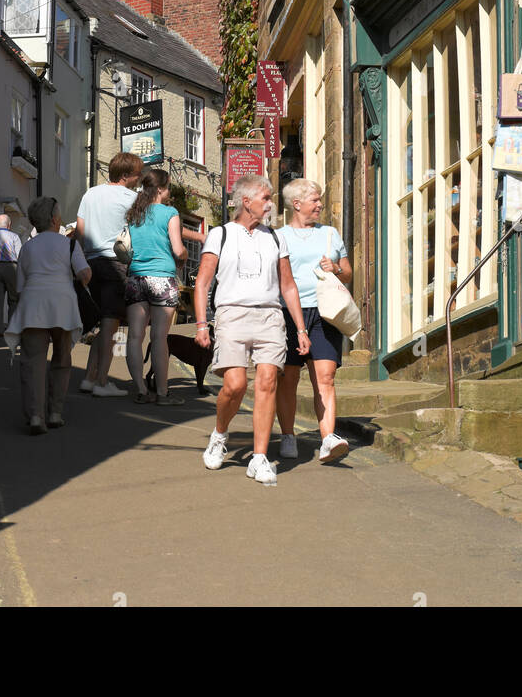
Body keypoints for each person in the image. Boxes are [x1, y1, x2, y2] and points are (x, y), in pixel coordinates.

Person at [193, 176, 309, 486]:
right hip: (231, 314)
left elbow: (287, 285)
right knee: (235, 385)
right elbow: (203, 281)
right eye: (266, 198)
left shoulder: (275, 238)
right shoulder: (220, 235)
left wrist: (300, 327)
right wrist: (202, 323)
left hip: (270, 316)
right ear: (247, 202)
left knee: (268, 381)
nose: (271, 204)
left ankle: (259, 458)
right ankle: (220, 433)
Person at [274, 179, 353, 464]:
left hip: (325, 312)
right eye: (315, 200)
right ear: (297, 204)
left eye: (320, 200)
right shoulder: (279, 236)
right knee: (289, 378)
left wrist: (335, 268)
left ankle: (328, 439)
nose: (320, 205)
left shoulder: (330, 233)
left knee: (326, 377)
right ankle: (287, 436)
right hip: (288, 313)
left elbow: (348, 273)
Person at [4, 196, 91, 434]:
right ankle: (55, 412)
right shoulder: (70, 244)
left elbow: (20, 286)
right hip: (63, 304)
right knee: (62, 359)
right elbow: (85, 273)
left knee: (33, 361)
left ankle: (35, 416)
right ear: (54, 219)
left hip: (33, 305)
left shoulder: (27, 247)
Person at [75, 152, 144, 398]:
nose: (139, 179)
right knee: (111, 323)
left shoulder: (91, 193)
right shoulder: (134, 198)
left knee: (103, 320)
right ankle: (102, 381)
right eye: (137, 174)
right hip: (117, 263)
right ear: (126, 175)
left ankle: (89, 377)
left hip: (92, 262)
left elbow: (80, 230)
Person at [124, 168, 186, 404]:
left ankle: (140, 389)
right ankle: (162, 393)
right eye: (168, 186)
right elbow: (179, 249)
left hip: (136, 278)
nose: (169, 191)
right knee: (159, 337)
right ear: (160, 189)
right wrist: (183, 258)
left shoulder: (134, 213)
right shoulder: (170, 212)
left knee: (134, 337)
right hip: (162, 277)